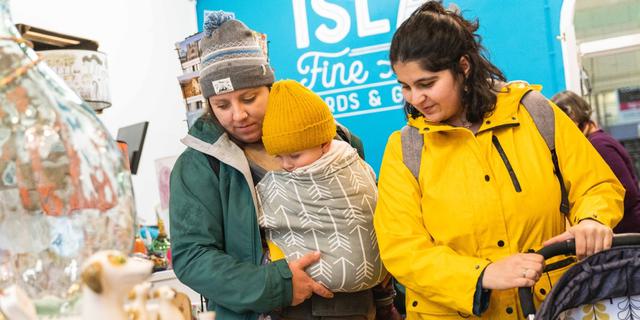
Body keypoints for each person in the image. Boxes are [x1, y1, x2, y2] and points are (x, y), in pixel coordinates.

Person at [373, 2, 624, 319]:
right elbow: (401, 249)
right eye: (405, 87)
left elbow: (597, 183)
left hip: (553, 306)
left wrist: (593, 219)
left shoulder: (535, 113)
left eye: (427, 83)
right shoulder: (404, 149)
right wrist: (481, 275)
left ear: (463, 67)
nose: (415, 98)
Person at [169, 16, 396, 320]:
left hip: (353, 309)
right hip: (262, 311)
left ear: (270, 88)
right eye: (222, 105)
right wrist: (278, 285)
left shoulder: (334, 139)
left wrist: (387, 298)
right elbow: (193, 257)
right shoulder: (199, 164)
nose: (238, 115)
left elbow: (372, 218)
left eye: (249, 98)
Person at [256, 79, 385, 318]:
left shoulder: (352, 164)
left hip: (356, 306)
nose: (286, 166)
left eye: (294, 155)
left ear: (325, 144)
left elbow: (372, 215)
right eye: (279, 157)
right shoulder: (282, 178)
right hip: (307, 303)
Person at [552, 90, 640, 233]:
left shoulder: (598, 145)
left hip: (628, 232)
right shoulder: (598, 141)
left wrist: (593, 218)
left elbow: (626, 193)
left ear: (573, 118)